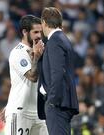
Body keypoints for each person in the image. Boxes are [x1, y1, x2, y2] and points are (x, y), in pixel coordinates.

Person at [37, 7, 79, 135]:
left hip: (58, 104)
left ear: (44, 22)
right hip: (63, 102)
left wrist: (52, 100)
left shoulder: (54, 40)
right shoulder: (62, 38)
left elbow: (58, 72)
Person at [4, 15, 48, 135]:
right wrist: (37, 57)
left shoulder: (42, 50)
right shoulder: (18, 53)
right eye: (35, 32)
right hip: (20, 112)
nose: (39, 35)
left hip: (38, 112)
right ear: (25, 32)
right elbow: (32, 77)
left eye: (40, 32)